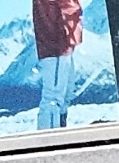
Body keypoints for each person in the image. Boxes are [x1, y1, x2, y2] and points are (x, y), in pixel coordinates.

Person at [33, 0, 84, 130]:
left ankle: (59, 129)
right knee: (53, 97)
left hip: (64, 42)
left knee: (65, 94)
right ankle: (49, 137)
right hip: (55, 44)